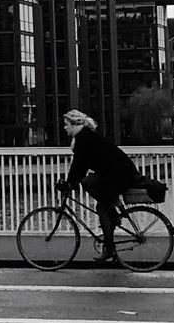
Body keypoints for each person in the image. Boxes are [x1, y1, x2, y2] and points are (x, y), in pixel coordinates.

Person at [54, 109, 142, 262]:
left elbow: (78, 164)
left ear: (75, 124)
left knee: (101, 206)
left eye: (66, 124)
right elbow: (81, 165)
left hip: (120, 175)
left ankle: (109, 248)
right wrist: (72, 181)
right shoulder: (85, 136)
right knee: (89, 183)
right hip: (118, 172)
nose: (64, 127)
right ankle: (112, 214)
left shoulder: (83, 138)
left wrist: (69, 182)